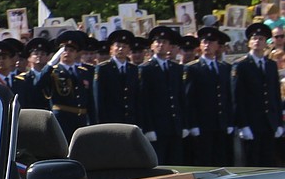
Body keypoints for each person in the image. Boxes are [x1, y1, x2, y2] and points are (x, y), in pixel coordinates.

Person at [183, 26, 233, 167]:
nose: (207, 45)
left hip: (220, 122)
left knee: (221, 159)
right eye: (204, 42)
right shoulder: (192, 68)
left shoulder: (224, 67)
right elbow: (189, 99)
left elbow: (227, 97)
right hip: (202, 123)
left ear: (217, 46)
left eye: (211, 42)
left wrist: (229, 121)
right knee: (204, 161)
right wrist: (193, 124)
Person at [232, 21, 281, 166]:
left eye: (261, 39)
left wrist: (278, 122)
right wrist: (242, 124)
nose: (257, 42)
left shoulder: (271, 65)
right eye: (254, 39)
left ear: (266, 42)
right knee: (252, 162)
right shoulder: (241, 65)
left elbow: (275, 95)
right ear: (249, 43)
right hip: (251, 123)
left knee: (268, 161)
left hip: (268, 122)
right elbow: (237, 97)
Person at [139, 25, 186, 164]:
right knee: (160, 163)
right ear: (152, 46)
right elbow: (144, 101)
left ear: (170, 47)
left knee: (177, 162)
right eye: (158, 42)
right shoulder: (145, 69)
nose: (161, 45)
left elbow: (181, 98)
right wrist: (149, 128)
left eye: (165, 42)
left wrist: (184, 124)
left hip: (174, 125)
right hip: (157, 127)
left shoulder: (176, 68)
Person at [93, 29, 141, 125]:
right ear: (111, 49)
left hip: (130, 120)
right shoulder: (103, 68)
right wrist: (101, 123)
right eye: (118, 46)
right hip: (111, 120)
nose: (120, 49)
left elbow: (137, 98)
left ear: (129, 50)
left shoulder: (133, 69)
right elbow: (99, 98)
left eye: (124, 47)